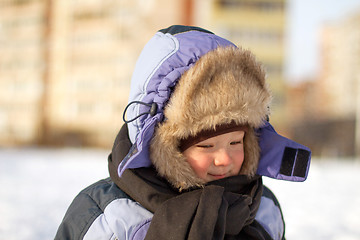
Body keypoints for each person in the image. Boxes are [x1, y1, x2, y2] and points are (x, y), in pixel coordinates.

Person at [55, 25, 311, 240]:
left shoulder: (262, 207)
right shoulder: (110, 216)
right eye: (206, 146)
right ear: (165, 148)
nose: (224, 159)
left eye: (235, 142)